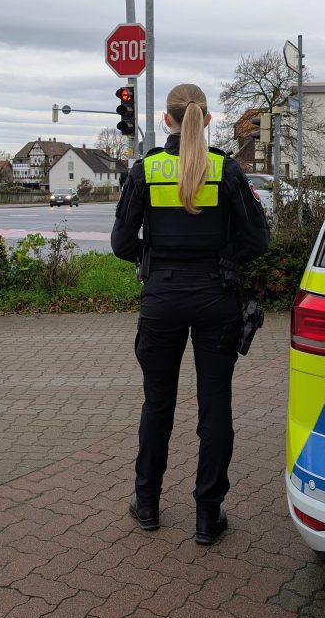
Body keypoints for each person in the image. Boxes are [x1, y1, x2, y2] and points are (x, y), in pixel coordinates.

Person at [111, 83, 269, 546]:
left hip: (161, 298)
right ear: (208, 119)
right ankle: (207, 515)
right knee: (214, 406)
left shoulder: (146, 171)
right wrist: (224, 257)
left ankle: (148, 505)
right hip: (216, 298)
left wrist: (154, 257)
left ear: (167, 120)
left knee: (157, 403)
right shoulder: (227, 170)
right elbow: (258, 241)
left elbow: (122, 245)